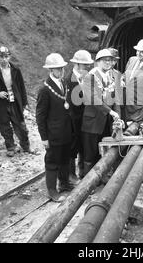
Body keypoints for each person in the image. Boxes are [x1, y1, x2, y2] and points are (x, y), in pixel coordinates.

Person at [36, 53, 75, 202]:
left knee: (65, 159)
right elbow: (40, 116)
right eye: (58, 69)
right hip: (53, 134)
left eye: (62, 68)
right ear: (51, 70)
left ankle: (64, 184)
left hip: (65, 132)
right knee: (52, 162)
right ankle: (52, 191)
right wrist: (44, 138)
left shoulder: (64, 84)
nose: (61, 71)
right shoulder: (45, 90)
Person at [81, 49, 121, 176]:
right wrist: (110, 112)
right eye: (105, 60)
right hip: (93, 121)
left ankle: (101, 177)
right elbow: (93, 99)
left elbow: (116, 98)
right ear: (97, 62)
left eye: (110, 60)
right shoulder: (90, 77)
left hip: (106, 121)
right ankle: (87, 182)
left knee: (104, 150)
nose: (108, 63)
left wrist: (117, 115)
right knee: (90, 154)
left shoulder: (111, 76)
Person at [0, 46, 31, 157]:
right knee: (4, 125)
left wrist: (24, 102)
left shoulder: (15, 70)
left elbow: (21, 87)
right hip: (0, 103)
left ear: (9, 57)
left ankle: (25, 146)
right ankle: (10, 147)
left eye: (6, 57)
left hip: (14, 101)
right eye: (1, 57)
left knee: (20, 125)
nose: (4, 59)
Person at [66, 49, 94, 180]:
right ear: (76, 64)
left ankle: (82, 172)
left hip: (85, 120)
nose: (88, 67)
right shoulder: (68, 80)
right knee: (72, 148)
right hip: (72, 121)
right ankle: (71, 175)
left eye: (88, 65)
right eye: (85, 65)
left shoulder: (87, 78)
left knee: (84, 146)